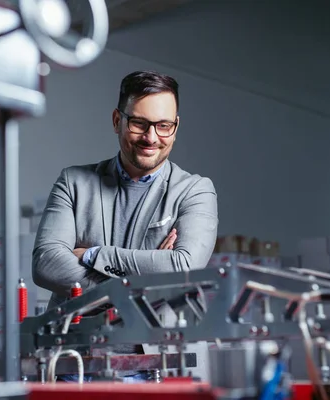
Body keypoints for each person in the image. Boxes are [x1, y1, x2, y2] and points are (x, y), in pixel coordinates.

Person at [32, 70, 219, 382]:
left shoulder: (195, 191)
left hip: (150, 365)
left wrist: (93, 255)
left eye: (164, 126)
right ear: (117, 120)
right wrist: (148, 279)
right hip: (72, 361)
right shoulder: (74, 182)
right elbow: (46, 264)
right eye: (139, 124)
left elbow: (185, 267)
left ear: (175, 127)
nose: (151, 138)